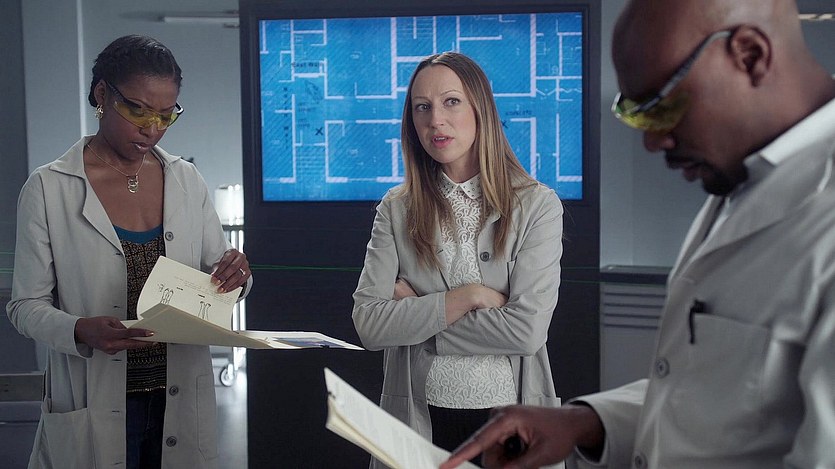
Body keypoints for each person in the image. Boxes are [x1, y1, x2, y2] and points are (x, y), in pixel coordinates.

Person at [441, 0, 835, 468]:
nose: (652, 141)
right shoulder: (747, 180)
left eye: (662, 106)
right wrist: (586, 422)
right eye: (635, 115)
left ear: (750, 55)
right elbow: (719, 388)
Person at [6, 35, 252, 469]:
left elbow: (220, 272)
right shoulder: (49, 188)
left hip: (179, 400)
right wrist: (78, 330)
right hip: (95, 400)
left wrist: (238, 276)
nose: (151, 129)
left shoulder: (186, 180)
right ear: (102, 94)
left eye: (165, 116)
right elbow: (24, 306)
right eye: (137, 110)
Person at [351, 51, 563, 466]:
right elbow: (369, 324)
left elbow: (526, 331)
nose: (436, 120)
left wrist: (419, 318)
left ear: (480, 109)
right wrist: (467, 297)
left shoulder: (537, 205)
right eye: (422, 107)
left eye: (451, 102)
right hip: (419, 421)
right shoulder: (395, 208)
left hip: (509, 423)